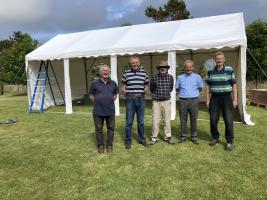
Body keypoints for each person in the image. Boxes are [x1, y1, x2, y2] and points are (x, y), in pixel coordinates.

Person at [205, 52, 237, 151]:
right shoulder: (210, 71)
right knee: (213, 120)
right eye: (217, 58)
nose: (219, 60)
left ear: (224, 60)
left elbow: (234, 86)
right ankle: (215, 137)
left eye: (221, 58)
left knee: (228, 120)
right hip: (214, 98)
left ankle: (229, 141)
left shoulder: (229, 70)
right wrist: (207, 100)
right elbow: (208, 86)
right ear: (215, 60)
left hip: (227, 97)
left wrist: (235, 99)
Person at [121, 56, 150, 149]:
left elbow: (146, 85)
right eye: (133, 63)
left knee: (141, 122)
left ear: (139, 63)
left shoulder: (144, 74)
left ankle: (141, 139)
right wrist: (125, 93)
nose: (135, 64)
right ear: (130, 64)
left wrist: (145, 90)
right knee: (129, 122)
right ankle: (128, 141)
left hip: (141, 99)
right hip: (130, 99)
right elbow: (123, 86)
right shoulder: (126, 74)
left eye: (136, 62)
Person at [89, 64, 118, 154]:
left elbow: (115, 94)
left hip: (110, 110)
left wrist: (108, 101)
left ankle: (109, 145)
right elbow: (91, 94)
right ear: (100, 72)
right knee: (98, 129)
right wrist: (98, 102)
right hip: (98, 110)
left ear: (109, 72)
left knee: (111, 128)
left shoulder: (113, 83)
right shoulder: (94, 83)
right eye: (103, 71)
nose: (105, 72)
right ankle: (100, 145)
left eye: (107, 71)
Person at [176, 60, 203, 144]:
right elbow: (177, 88)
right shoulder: (180, 77)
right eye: (187, 67)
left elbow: (200, 88)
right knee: (183, 119)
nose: (188, 68)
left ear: (193, 67)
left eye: (190, 67)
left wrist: (192, 93)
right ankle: (183, 136)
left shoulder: (198, 77)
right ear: (184, 68)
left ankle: (194, 136)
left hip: (194, 100)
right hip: (182, 100)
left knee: (193, 119)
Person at [149, 61, 175, 145]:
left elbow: (171, 88)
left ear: (167, 68)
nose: (163, 68)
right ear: (159, 68)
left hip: (166, 101)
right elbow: (151, 89)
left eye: (164, 67)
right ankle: (154, 138)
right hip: (156, 102)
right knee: (155, 120)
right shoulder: (154, 77)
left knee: (167, 120)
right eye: (161, 67)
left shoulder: (171, 77)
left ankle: (168, 137)